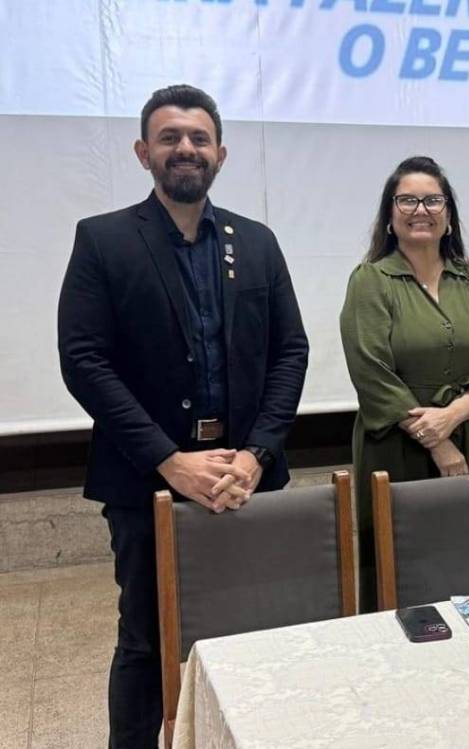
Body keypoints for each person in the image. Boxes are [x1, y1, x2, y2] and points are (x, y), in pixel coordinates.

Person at [57, 84, 308, 747]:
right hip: (145, 481)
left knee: (253, 629)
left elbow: (291, 351)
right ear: (144, 153)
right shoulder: (104, 240)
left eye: (199, 138)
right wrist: (169, 461)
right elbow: (84, 360)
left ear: (220, 153)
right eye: (169, 137)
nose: (185, 148)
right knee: (146, 639)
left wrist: (255, 454)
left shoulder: (257, 242)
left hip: (248, 477)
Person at [340, 156, 469, 612]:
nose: (421, 210)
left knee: (465, 554)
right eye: (408, 201)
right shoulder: (370, 281)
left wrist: (454, 415)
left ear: (449, 215)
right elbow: (370, 370)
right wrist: (437, 441)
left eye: (433, 200)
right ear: (390, 215)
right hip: (396, 443)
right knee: (399, 564)